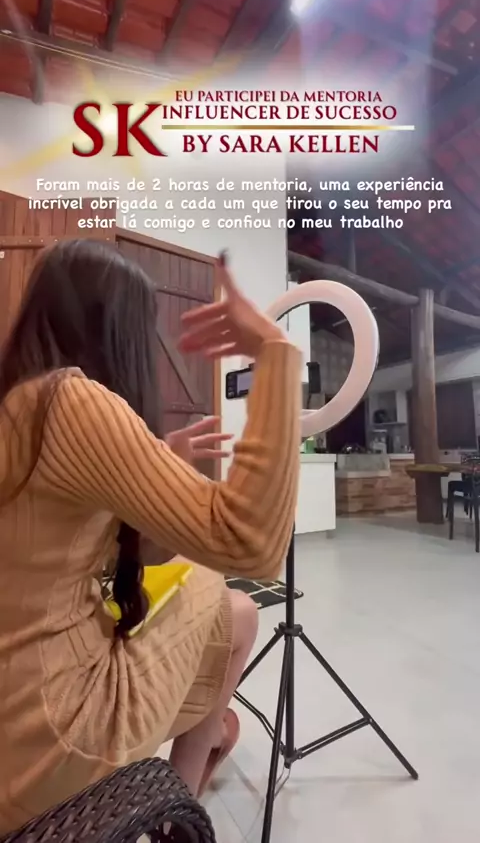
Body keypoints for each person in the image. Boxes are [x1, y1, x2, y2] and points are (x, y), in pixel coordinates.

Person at [0, 239, 301, 834]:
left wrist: (149, 475)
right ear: (122, 332)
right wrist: (276, 354)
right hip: (44, 735)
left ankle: (183, 787)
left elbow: (69, 540)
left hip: (14, 714)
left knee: (231, 610)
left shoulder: (18, 404)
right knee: (221, 591)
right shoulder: (71, 401)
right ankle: (178, 803)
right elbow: (253, 542)